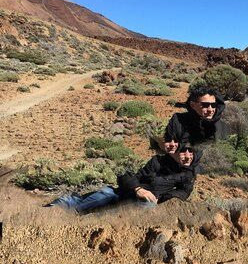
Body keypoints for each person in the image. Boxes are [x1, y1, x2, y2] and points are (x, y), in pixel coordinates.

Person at [45, 143, 201, 212]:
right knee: (105, 194)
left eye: (192, 154)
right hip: (126, 193)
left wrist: (162, 198)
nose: (188, 156)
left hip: (147, 202)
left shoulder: (188, 174)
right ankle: (60, 207)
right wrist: (138, 188)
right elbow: (129, 176)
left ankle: (98, 222)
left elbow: (184, 192)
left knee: (149, 206)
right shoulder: (158, 161)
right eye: (185, 152)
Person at [162, 87, 229, 147]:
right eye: (205, 105)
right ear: (192, 105)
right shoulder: (178, 121)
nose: (210, 109)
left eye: (214, 105)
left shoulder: (223, 127)